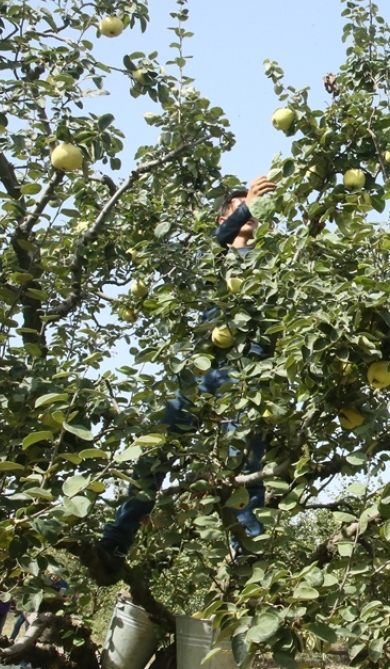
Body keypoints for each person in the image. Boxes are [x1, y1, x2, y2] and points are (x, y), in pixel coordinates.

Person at [76, 176, 276, 586]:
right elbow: (205, 254)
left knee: (247, 463)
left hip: (248, 372)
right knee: (156, 453)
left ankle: (247, 555)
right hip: (201, 372)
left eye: (253, 210)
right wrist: (246, 206)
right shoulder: (213, 260)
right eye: (239, 208)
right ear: (225, 216)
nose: (249, 213)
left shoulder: (270, 260)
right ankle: (116, 541)